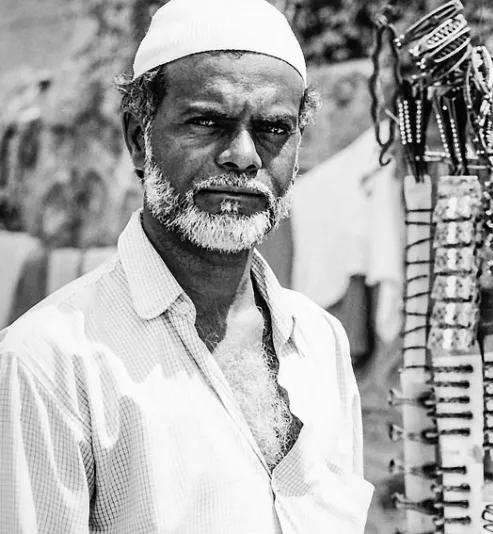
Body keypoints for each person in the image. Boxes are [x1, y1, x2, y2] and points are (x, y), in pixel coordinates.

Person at [0, 0, 374, 532]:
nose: (243, 156)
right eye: (207, 122)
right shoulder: (49, 363)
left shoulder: (321, 341)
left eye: (273, 128)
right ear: (139, 139)